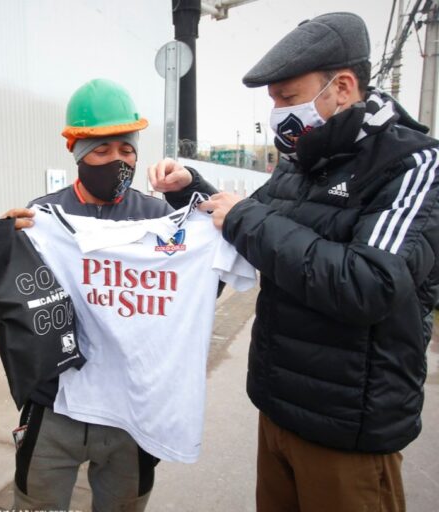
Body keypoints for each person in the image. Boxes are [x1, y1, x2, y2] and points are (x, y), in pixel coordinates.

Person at [152, 12, 439, 512]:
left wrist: (244, 219)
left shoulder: (411, 165)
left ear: (343, 87)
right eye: (274, 102)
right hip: (278, 410)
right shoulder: (299, 163)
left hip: (347, 431)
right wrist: (193, 191)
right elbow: (250, 228)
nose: (280, 113)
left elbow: (371, 284)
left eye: (289, 98)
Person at [0, 78, 217, 511]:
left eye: (126, 150)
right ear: (76, 152)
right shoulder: (42, 217)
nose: (118, 160)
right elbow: (6, 296)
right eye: (102, 150)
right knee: (36, 503)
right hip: (57, 404)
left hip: (133, 406)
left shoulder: (159, 218)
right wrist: (3, 249)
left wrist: (199, 208)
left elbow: (200, 286)